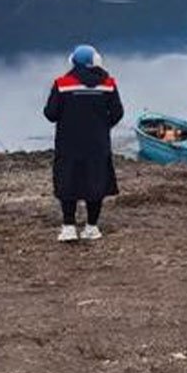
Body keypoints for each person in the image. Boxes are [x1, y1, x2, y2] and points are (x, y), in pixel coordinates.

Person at [43, 44, 124, 241]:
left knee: (67, 182)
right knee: (95, 182)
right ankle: (92, 227)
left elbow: (51, 114)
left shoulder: (62, 84)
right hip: (97, 144)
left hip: (68, 144)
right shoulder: (108, 84)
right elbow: (118, 113)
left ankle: (69, 226)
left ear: (72, 61)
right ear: (96, 61)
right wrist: (103, 127)